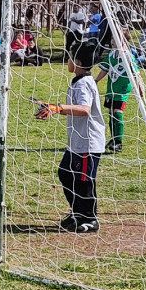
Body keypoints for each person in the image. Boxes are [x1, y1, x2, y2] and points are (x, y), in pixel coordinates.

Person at [41, 44, 106, 233]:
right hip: (77, 141)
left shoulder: (84, 83)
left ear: (77, 62)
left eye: (70, 58)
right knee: (65, 173)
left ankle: (90, 218)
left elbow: (84, 109)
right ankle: (77, 212)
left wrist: (58, 108)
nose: (68, 62)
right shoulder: (80, 81)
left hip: (88, 142)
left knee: (84, 181)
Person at [99, 46, 133, 154]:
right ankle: (113, 138)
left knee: (118, 112)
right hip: (111, 88)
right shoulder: (111, 54)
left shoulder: (128, 56)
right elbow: (104, 69)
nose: (113, 41)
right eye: (113, 39)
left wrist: (140, 86)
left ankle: (118, 142)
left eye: (115, 39)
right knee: (111, 113)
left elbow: (136, 72)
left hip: (123, 89)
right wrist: (96, 80)